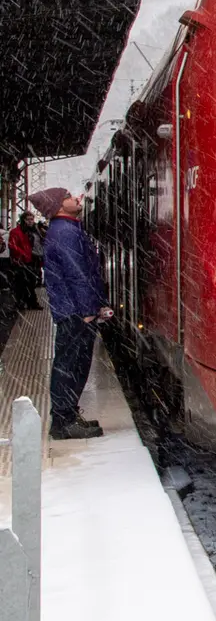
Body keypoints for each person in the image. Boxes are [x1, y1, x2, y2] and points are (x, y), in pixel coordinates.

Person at [29, 188, 109, 440]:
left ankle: (68, 416)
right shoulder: (65, 232)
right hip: (75, 311)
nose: (76, 198)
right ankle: (63, 422)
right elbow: (77, 273)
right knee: (70, 366)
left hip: (73, 309)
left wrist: (96, 305)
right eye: (68, 196)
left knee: (73, 364)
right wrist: (88, 310)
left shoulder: (67, 229)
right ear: (58, 206)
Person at [7, 212, 36, 310]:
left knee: (31, 282)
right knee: (21, 284)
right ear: (23, 220)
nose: (30, 221)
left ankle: (30, 303)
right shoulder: (16, 232)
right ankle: (20, 303)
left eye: (32, 219)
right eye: (28, 219)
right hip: (20, 262)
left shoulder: (31, 231)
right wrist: (23, 254)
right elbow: (12, 245)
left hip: (29, 260)